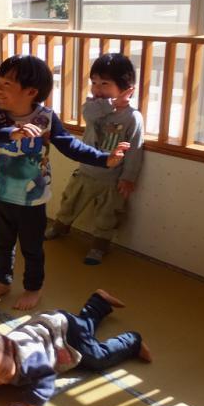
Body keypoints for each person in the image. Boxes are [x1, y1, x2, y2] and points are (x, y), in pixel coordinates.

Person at [0, 55, 130, 310]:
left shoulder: (45, 118)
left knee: (32, 248)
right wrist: (12, 133)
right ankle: (2, 281)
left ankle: (33, 287)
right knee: (1, 244)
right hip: (0, 194)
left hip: (32, 199)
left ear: (31, 92)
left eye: (6, 84)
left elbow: (71, 146)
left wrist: (106, 159)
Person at [0, 289, 152, 406]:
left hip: (64, 332)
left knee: (96, 358)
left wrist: (28, 404)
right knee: (85, 328)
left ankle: (132, 342)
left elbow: (46, 378)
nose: (2, 381)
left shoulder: (29, 359)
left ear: (11, 348)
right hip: (49, 324)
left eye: (4, 372)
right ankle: (99, 302)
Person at [45, 53, 144, 265]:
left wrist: (128, 177)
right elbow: (87, 114)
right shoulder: (94, 106)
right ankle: (60, 226)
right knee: (70, 202)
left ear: (127, 89)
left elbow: (135, 150)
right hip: (85, 171)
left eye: (105, 84)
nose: (97, 89)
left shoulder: (132, 117)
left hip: (111, 179)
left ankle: (100, 245)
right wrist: (112, 103)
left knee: (107, 215)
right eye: (94, 83)